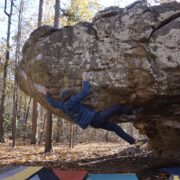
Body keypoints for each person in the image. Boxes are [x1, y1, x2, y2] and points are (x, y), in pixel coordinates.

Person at [38, 72, 147, 147]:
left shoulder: (64, 107)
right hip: (96, 118)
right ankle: (133, 112)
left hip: (95, 123)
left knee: (116, 128)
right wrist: (85, 78)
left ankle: (134, 142)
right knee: (117, 107)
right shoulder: (73, 101)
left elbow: (52, 103)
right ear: (70, 95)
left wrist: (45, 93)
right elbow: (85, 92)